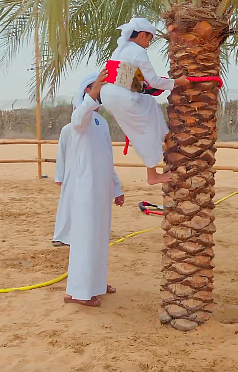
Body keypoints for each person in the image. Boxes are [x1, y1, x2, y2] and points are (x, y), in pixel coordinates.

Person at [99, 17, 190, 185]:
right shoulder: (137, 51)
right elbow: (154, 80)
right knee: (146, 131)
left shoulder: (122, 49)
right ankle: (152, 175)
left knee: (150, 106)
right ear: (142, 35)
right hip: (121, 97)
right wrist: (177, 82)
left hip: (111, 95)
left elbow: (131, 79)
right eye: (149, 39)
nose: (148, 44)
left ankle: (163, 134)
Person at [64, 70, 125, 307]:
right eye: (96, 87)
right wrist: (97, 88)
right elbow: (80, 118)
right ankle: (79, 293)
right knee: (85, 238)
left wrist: (116, 188)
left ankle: (97, 284)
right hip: (85, 190)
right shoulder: (80, 116)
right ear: (86, 91)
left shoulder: (102, 122)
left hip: (101, 190)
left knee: (99, 238)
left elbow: (106, 159)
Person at [52, 121, 74, 247]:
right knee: (67, 204)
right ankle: (60, 236)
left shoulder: (97, 127)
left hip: (89, 175)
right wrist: (59, 176)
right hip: (70, 175)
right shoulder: (67, 130)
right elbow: (61, 153)